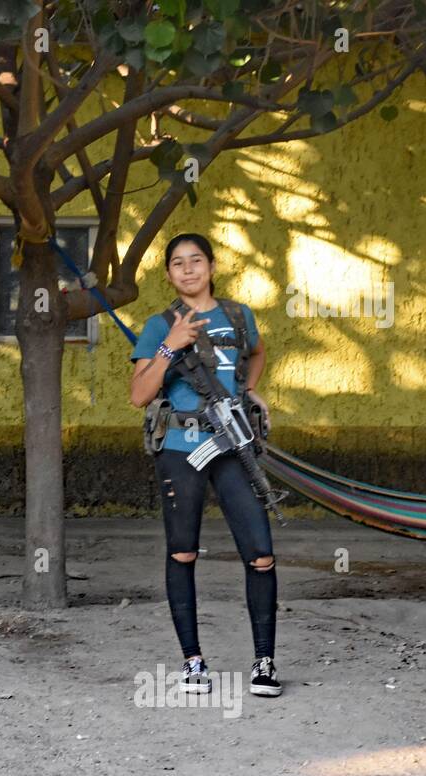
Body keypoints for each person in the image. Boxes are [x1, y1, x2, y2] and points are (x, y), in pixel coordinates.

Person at [129, 232, 280, 697]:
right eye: (178, 263)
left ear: (212, 267)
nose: (189, 269)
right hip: (181, 447)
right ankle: (193, 663)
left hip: (233, 445)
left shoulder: (238, 315)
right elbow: (139, 395)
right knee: (183, 551)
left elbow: (256, 352)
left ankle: (264, 664)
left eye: (197, 260)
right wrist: (171, 346)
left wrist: (249, 389)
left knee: (260, 552)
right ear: (170, 274)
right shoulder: (159, 325)